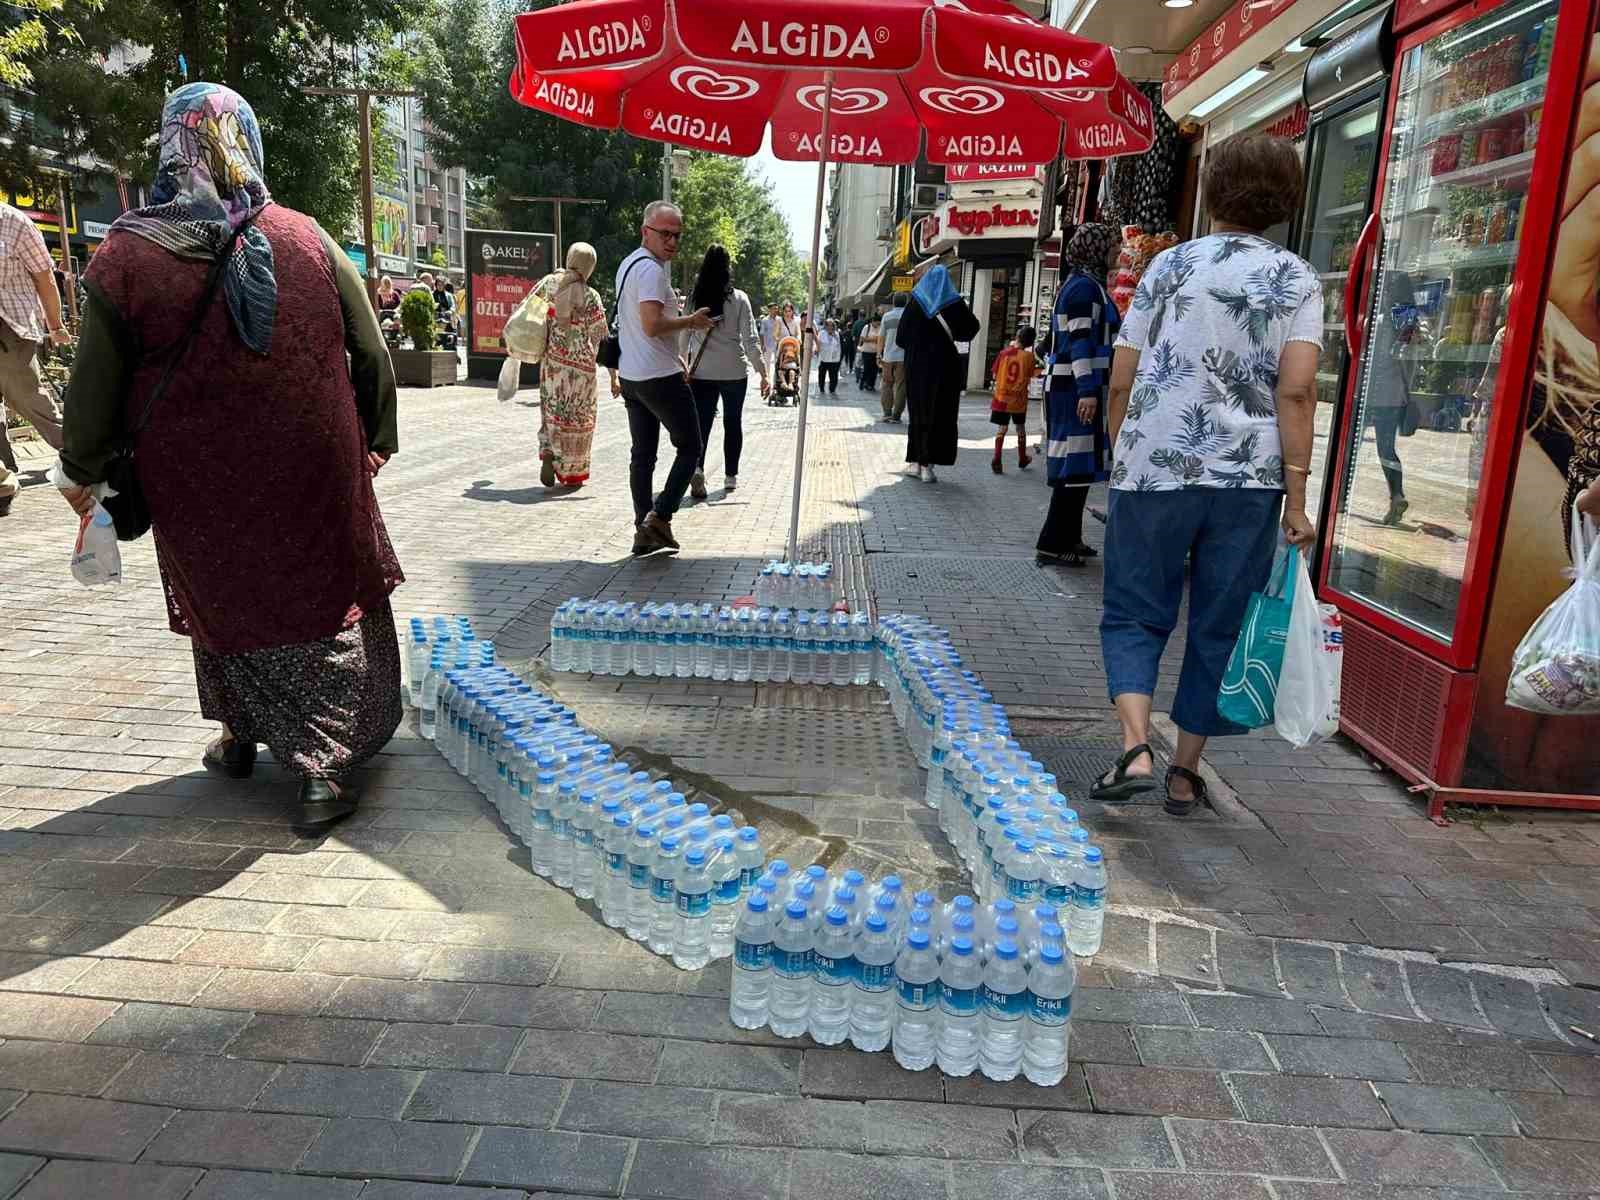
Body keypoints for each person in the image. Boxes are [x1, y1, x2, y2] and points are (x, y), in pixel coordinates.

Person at [54, 83, 403, 833]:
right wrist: (376, 435)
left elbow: (95, 382)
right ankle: (322, 771)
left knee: (225, 593)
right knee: (324, 594)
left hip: (195, 478)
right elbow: (369, 348)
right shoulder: (308, 236)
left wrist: (81, 468)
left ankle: (241, 735)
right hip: (312, 464)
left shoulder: (125, 256)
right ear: (245, 139)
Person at [1093, 134, 1320, 817]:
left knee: (1135, 611)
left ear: (1212, 191)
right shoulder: (1296, 278)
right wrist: (1299, 495)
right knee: (1219, 621)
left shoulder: (1165, 269)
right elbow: (1298, 390)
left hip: (1153, 470)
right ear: (1283, 202)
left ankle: (1135, 744)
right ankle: (1186, 773)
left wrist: (1122, 450)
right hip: (1248, 483)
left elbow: (1122, 378)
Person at [615, 200, 713, 555]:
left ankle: (644, 529)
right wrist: (692, 321)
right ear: (646, 231)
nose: (672, 242)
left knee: (642, 455)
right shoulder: (652, 272)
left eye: (677, 235)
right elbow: (652, 325)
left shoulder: (627, 265)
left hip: (633, 376)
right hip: (658, 377)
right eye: (665, 234)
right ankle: (661, 515)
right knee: (690, 447)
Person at [1037, 223, 1123, 565]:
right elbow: (1080, 342)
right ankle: (1053, 542)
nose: (1117, 253)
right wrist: (1087, 391)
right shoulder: (1084, 290)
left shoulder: (1086, 285)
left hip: (1077, 387)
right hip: (1074, 390)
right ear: (1095, 249)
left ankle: (1069, 537)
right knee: (1073, 467)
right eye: (1112, 247)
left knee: (1080, 468)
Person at [0, 199, 70, 517]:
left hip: (10, 327)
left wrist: (55, 325)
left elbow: (45, 278)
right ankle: (3, 474)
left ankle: (77, 449)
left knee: (25, 398)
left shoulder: (15, 223)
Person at [685, 243, 769, 497]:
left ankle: (697, 468)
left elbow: (684, 334)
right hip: (734, 372)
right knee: (733, 422)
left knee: (702, 423)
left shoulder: (694, 297)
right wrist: (763, 372)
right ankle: (730, 476)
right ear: (728, 268)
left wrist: (681, 363)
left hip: (702, 372)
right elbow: (750, 339)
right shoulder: (740, 298)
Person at [528, 242, 609, 489]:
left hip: (552, 364)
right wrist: (615, 374)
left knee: (552, 412)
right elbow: (599, 336)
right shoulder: (590, 295)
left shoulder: (548, 284)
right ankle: (572, 470)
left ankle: (549, 452)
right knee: (578, 417)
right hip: (582, 370)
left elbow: (530, 313)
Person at [898, 265, 980, 483]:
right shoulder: (952, 302)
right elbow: (971, 329)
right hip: (944, 368)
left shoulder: (915, 302)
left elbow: (901, 338)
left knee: (917, 413)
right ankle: (928, 466)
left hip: (916, 368)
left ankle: (915, 462)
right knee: (938, 414)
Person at [989, 324, 1040, 474]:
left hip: (1001, 397)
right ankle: (1022, 458)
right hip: (1018, 399)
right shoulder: (1029, 357)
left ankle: (997, 458)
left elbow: (994, 374)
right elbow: (1032, 373)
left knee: (1002, 428)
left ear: (1017, 337)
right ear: (1030, 343)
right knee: (1020, 428)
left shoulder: (1003, 353)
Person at [878, 293, 910, 422]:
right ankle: (896, 415)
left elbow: (881, 337)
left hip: (888, 357)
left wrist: (878, 354)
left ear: (893, 303)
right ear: (906, 302)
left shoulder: (886, 316)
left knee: (887, 384)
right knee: (901, 386)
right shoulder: (909, 317)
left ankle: (887, 413)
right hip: (903, 357)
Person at [816, 318, 842, 394]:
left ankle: (832, 389)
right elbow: (818, 343)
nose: (830, 327)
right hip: (823, 358)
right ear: (826, 326)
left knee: (833, 376)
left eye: (832, 326)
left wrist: (833, 336)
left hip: (834, 359)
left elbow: (838, 346)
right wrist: (817, 351)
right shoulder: (822, 333)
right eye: (828, 325)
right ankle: (821, 388)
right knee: (822, 375)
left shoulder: (836, 334)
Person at [857, 311, 881, 391]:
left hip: (876, 352)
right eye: (877, 323)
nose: (877, 325)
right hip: (866, 351)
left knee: (874, 370)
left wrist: (875, 340)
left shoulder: (880, 328)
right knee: (867, 368)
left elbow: (881, 339)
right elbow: (862, 338)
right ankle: (862, 383)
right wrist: (874, 339)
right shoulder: (867, 327)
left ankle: (871, 385)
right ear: (872, 321)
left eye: (879, 323)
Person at [840, 309, 858, 373]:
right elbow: (854, 339)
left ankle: (846, 368)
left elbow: (842, 337)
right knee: (851, 358)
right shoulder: (852, 332)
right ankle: (850, 368)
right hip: (852, 347)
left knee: (846, 358)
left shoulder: (844, 332)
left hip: (846, 347)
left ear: (847, 326)